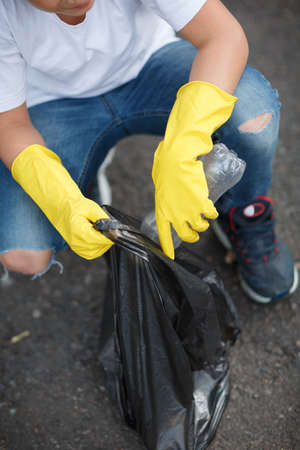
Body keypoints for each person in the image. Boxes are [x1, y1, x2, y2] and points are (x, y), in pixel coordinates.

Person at [0, 0, 298, 303]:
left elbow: (222, 36)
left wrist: (186, 140)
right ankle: (82, 179)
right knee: (24, 255)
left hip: (148, 66)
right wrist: (59, 198)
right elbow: (10, 123)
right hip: (53, 104)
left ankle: (244, 213)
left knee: (252, 117)